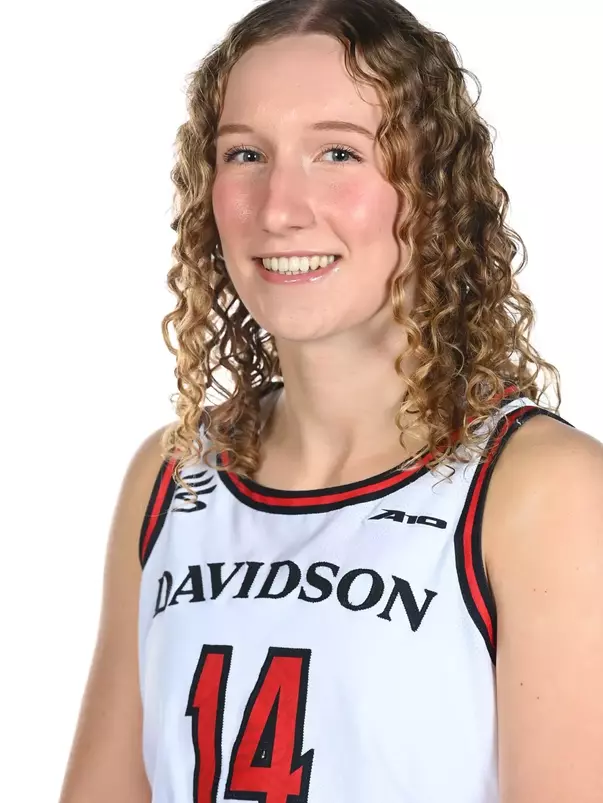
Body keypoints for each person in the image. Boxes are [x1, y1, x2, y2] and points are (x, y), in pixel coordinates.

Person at [58, 1, 603, 801]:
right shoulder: (172, 475)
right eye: (244, 153)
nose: (279, 207)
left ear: (433, 187)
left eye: (338, 153)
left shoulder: (541, 492)